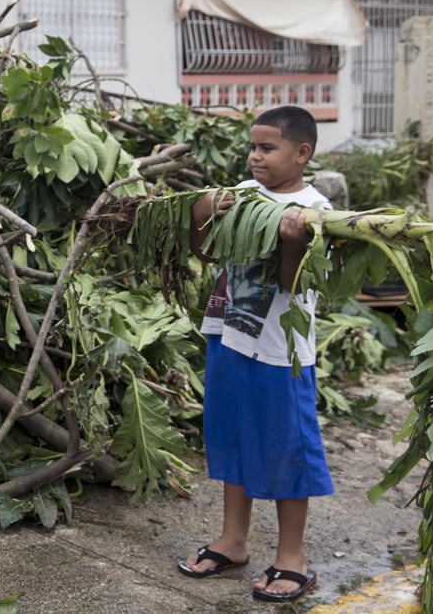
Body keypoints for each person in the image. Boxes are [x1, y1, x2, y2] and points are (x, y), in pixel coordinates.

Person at [176, 105, 333, 604]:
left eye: (268, 148)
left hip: (279, 350)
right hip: (228, 333)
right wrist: (201, 216)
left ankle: (292, 559)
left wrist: (292, 242)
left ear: (301, 153)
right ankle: (233, 540)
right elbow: (205, 255)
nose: (254, 156)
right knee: (232, 435)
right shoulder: (242, 196)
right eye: (253, 147)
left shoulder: (315, 209)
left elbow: (293, 282)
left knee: (287, 447)